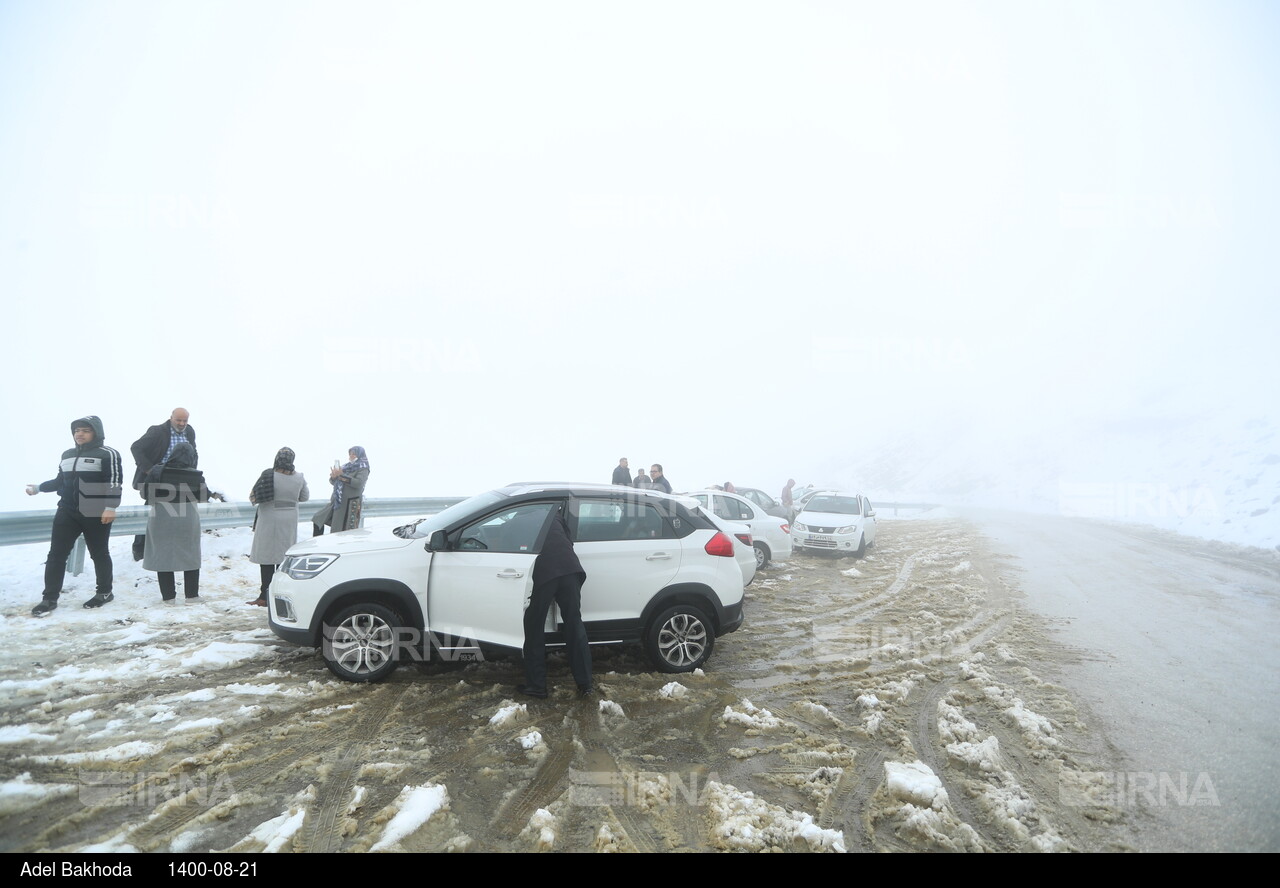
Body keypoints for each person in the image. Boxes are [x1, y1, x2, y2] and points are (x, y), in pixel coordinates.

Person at [26, 416, 124, 615]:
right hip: (67, 510)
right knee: (56, 555)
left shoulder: (108, 454)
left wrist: (111, 507)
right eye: (76, 430)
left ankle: (105, 592)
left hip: (95, 510)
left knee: (99, 553)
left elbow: (114, 482)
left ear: (96, 432)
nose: (79, 434)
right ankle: (49, 598)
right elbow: (59, 481)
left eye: (85, 430)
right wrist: (38, 488)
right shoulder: (67, 454)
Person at [518, 503, 591, 698]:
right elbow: (568, 541)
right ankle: (585, 684)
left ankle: (537, 686)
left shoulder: (519, 520)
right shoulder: (554, 516)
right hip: (570, 570)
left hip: (545, 574)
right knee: (574, 624)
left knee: (533, 626)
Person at [141, 442, 209, 603]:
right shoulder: (196, 475)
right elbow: (204, 496)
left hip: (161, 516)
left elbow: (145, 493)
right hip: (187, 517)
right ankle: (192, 596)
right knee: (190, 554)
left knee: (163, 555)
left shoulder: (158, 471)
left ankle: (168, 597)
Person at [130, 408, 196, 561]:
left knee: (177, 513)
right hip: (159, 477)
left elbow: (193, 450)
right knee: (151, 511)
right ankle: (139, 549)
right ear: (171, 418)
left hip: (181, 478)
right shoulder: (157, 431)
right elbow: (136, 447)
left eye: (185, 421)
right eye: (178, 420)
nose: (181, 424)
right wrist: (149, 469)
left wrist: (192, 470)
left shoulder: (190, 431)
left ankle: (170, 546)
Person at [247, 447, 309, 606]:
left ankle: (264, 596)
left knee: (267, 559)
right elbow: (304, 497)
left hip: (268, 519)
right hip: (289, 521)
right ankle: (281, 595)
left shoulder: (268, 475)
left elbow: (254, 495)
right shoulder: (299, 478)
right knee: (283, 559)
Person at [313, 446, 370, 535]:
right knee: (318, 519)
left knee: (342, 531)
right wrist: (334, 477)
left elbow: (358, 483)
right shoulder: (346, 467)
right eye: (350, 454)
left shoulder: (363, 468)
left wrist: (341, 475)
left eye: (354, 454)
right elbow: (334, 482)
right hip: (338, 502)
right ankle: (317, 544)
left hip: (350, 505)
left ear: (360, 455)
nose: (351, 456)